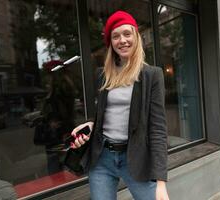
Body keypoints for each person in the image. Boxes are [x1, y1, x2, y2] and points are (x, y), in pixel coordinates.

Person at [70, 11, 169, 200]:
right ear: (111, 43)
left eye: (127, 33)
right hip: (102, 159)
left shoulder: (152, 75)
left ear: (136, 36)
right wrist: (90, 124)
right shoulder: (102, 74)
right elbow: (100, 113)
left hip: (136, 158)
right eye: (116, 36)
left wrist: (161, 182)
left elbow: (157, 129)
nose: (122, 40)